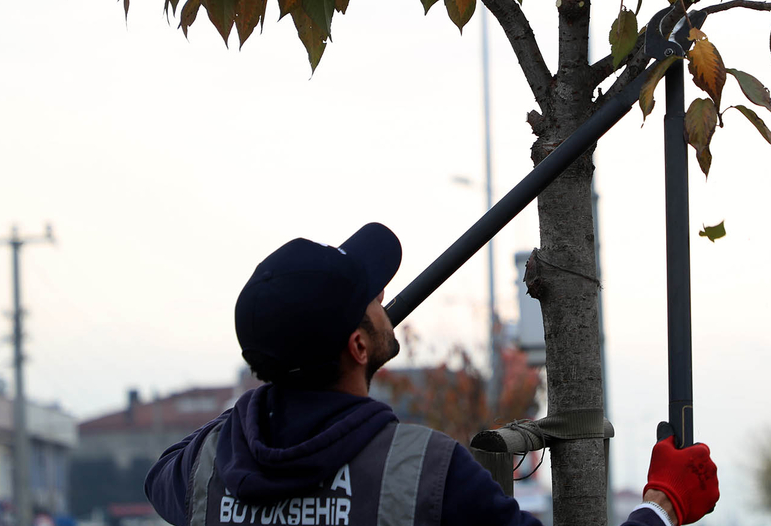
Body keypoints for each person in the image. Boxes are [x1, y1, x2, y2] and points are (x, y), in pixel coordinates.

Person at [145, 223, 719, 526]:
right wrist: (663, 505)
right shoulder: (423, 472)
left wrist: (269, 387)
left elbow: (162, 473)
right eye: (372, 297)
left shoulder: (206, 468)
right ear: (358, 344)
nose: (384, 296)